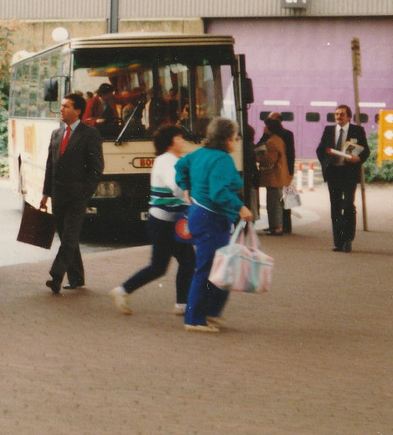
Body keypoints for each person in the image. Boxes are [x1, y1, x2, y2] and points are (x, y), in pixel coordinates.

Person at [175, 118, 254, 332]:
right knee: (209, 268)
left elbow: (180, 165)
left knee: (213, 266)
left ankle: (208, 312)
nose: (236, 140)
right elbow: (219, 192)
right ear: (227, 138)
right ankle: (194, 319)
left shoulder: (198, 154)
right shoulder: (223, 160)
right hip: (212, 217)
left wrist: (187, 187)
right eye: (235, 136)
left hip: (199, 214)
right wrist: (240, 207)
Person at [110, 125, 195, 315]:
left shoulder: (170, 160)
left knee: (186, 261)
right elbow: (176, 186)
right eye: (180, 138)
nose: (183, 141)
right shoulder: (168, 161)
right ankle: (122, 290)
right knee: (162, 266)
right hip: (164, 223)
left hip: (168, 220)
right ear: (171, 141)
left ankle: (181, 304)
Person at [41, 92, 104, 293]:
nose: (62, 109)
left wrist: (85, 192)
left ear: (78, 111)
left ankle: (56, 276)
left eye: (66, 106)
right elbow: (50, 165)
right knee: (67, 236)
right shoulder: (57, 134)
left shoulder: (90, 134)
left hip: (77, 196)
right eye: (61, 106)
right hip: (58, 196)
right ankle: (76, 278)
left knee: (69, 237)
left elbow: (96, 168)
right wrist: (45, 194)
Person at [316, 105, 370, 253]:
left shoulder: (356, 131)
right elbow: (320, 150)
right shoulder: (329, 130)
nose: (338, 116)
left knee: (348, 205)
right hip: (333, 173)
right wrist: (326, 163)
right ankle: (338, 242)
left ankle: (348, 239)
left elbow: (366, 150)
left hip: (349, 173)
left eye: (341, 114)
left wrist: (358, 158)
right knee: (335, 207)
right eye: (336, 114)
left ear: (348, 117)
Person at [257, 118, 291, 235]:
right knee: (275, 202)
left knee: (273, 203)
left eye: (265, 126)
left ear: (270, 128)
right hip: (279, 176)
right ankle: (274, 226)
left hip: (273, 177)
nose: (264, 128)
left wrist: (258, 157)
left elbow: (270, 160)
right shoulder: (279, 139)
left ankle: (277, 227)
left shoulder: (271, 142)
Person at [267, 113, 296, 233]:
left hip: (284, 169)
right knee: (282, 198)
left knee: (285, 198)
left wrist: (290, 171)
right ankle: (281, 225)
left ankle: (286, 225)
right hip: (282, 170)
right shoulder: (270, 134)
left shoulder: (286, 134)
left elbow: (291, 153)